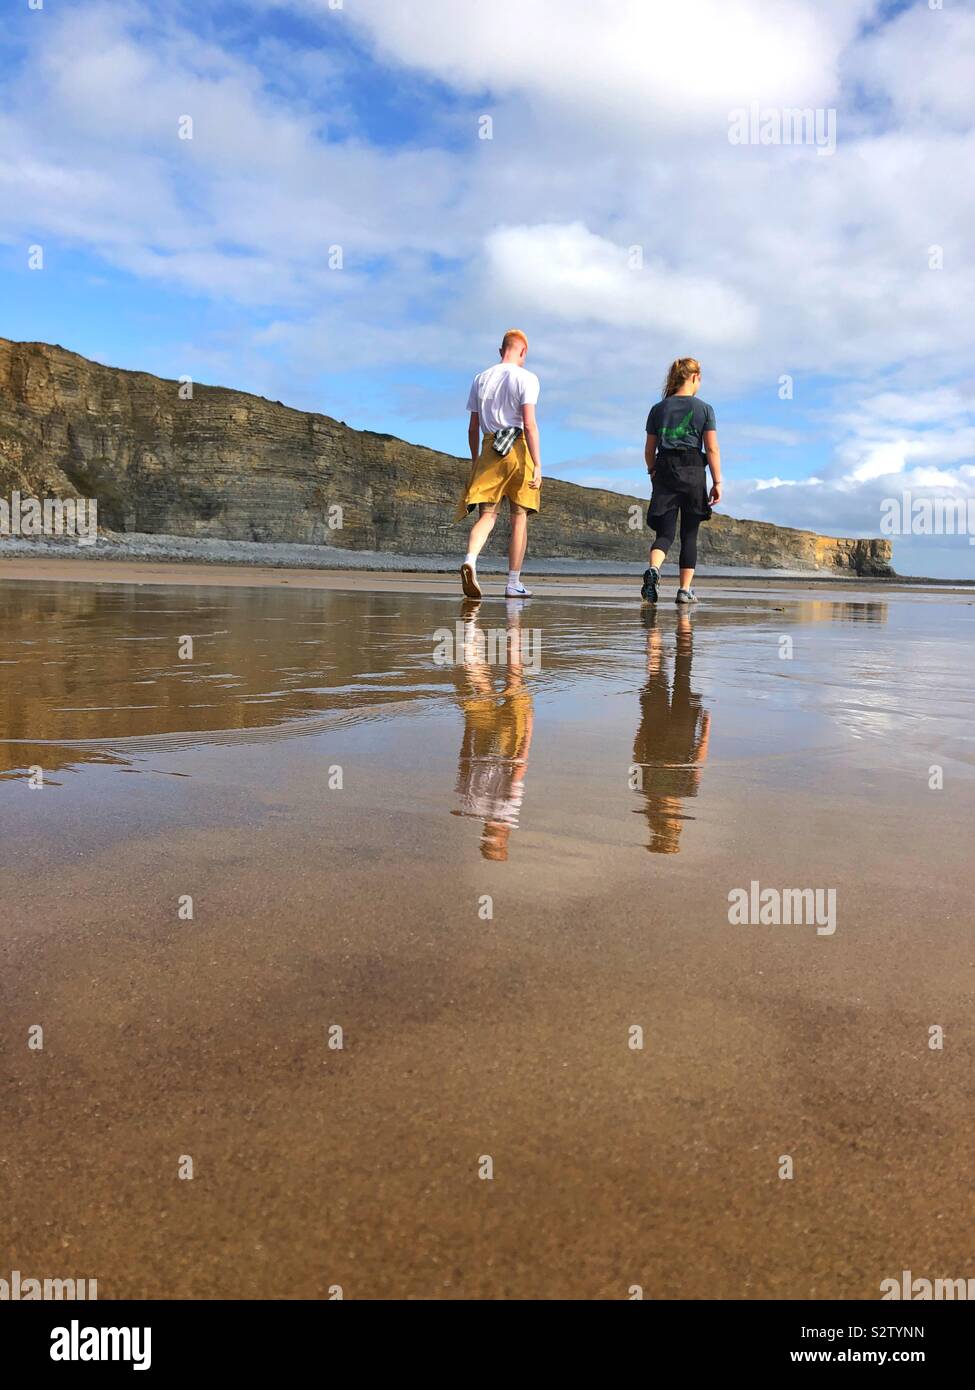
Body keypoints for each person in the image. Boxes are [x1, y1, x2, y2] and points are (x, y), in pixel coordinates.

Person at [456, 329, 542, 600]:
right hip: (518, 448)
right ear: (523, 352)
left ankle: (470, 560)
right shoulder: (527, 378)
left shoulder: (480, 379)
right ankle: (513, 583)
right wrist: (538, 464)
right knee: (519, 518)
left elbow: (472, 428)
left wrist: (475, 461)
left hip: (490, 447)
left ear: (500, 350)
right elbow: (529, 424)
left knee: (488, 516)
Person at [641, 357, 722, 605]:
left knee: (664, 533)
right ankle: (684, 590)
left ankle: (654, 570)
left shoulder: (658, 409)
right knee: (689, 534)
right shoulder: (704, 409)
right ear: (695, 377)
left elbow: (648, 450)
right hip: (693, 471)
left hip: (665, 469)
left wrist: (653, 469)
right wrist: (717, 481)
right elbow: (712, 449)